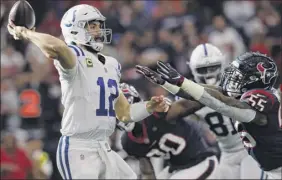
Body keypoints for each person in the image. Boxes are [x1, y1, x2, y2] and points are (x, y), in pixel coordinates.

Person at [7, 4, 167, 179]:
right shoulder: (75, 56)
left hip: (103, 146)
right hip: (78, 147)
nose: (98, 30)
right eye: (92, 26)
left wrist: (149, 107)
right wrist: (25, 32)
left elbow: (125, 113)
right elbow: (58, 48)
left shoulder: (110, 64)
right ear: (75, 29)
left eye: (99, 25)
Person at [136, 51, 282, 179]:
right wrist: (166, 83)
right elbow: (209, 93)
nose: (233, 80)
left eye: (239, 77)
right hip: (248, 158)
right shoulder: (243, 95)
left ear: (254, 80)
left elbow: (222, 104)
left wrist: (183, 81)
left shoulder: (262, 103)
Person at [188, 43, 263, 179]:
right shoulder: (190, 97)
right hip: (227, 154)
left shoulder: (239, 84)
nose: (209, 73)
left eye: (212, 67)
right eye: (203, 69)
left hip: (253, 147)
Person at [117, 83, 219, 179]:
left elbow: (186, 105)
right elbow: (147, 172)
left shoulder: (157, 113)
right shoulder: (129, 143)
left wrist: (216, 94)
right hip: (176, 168)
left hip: (201, 162)